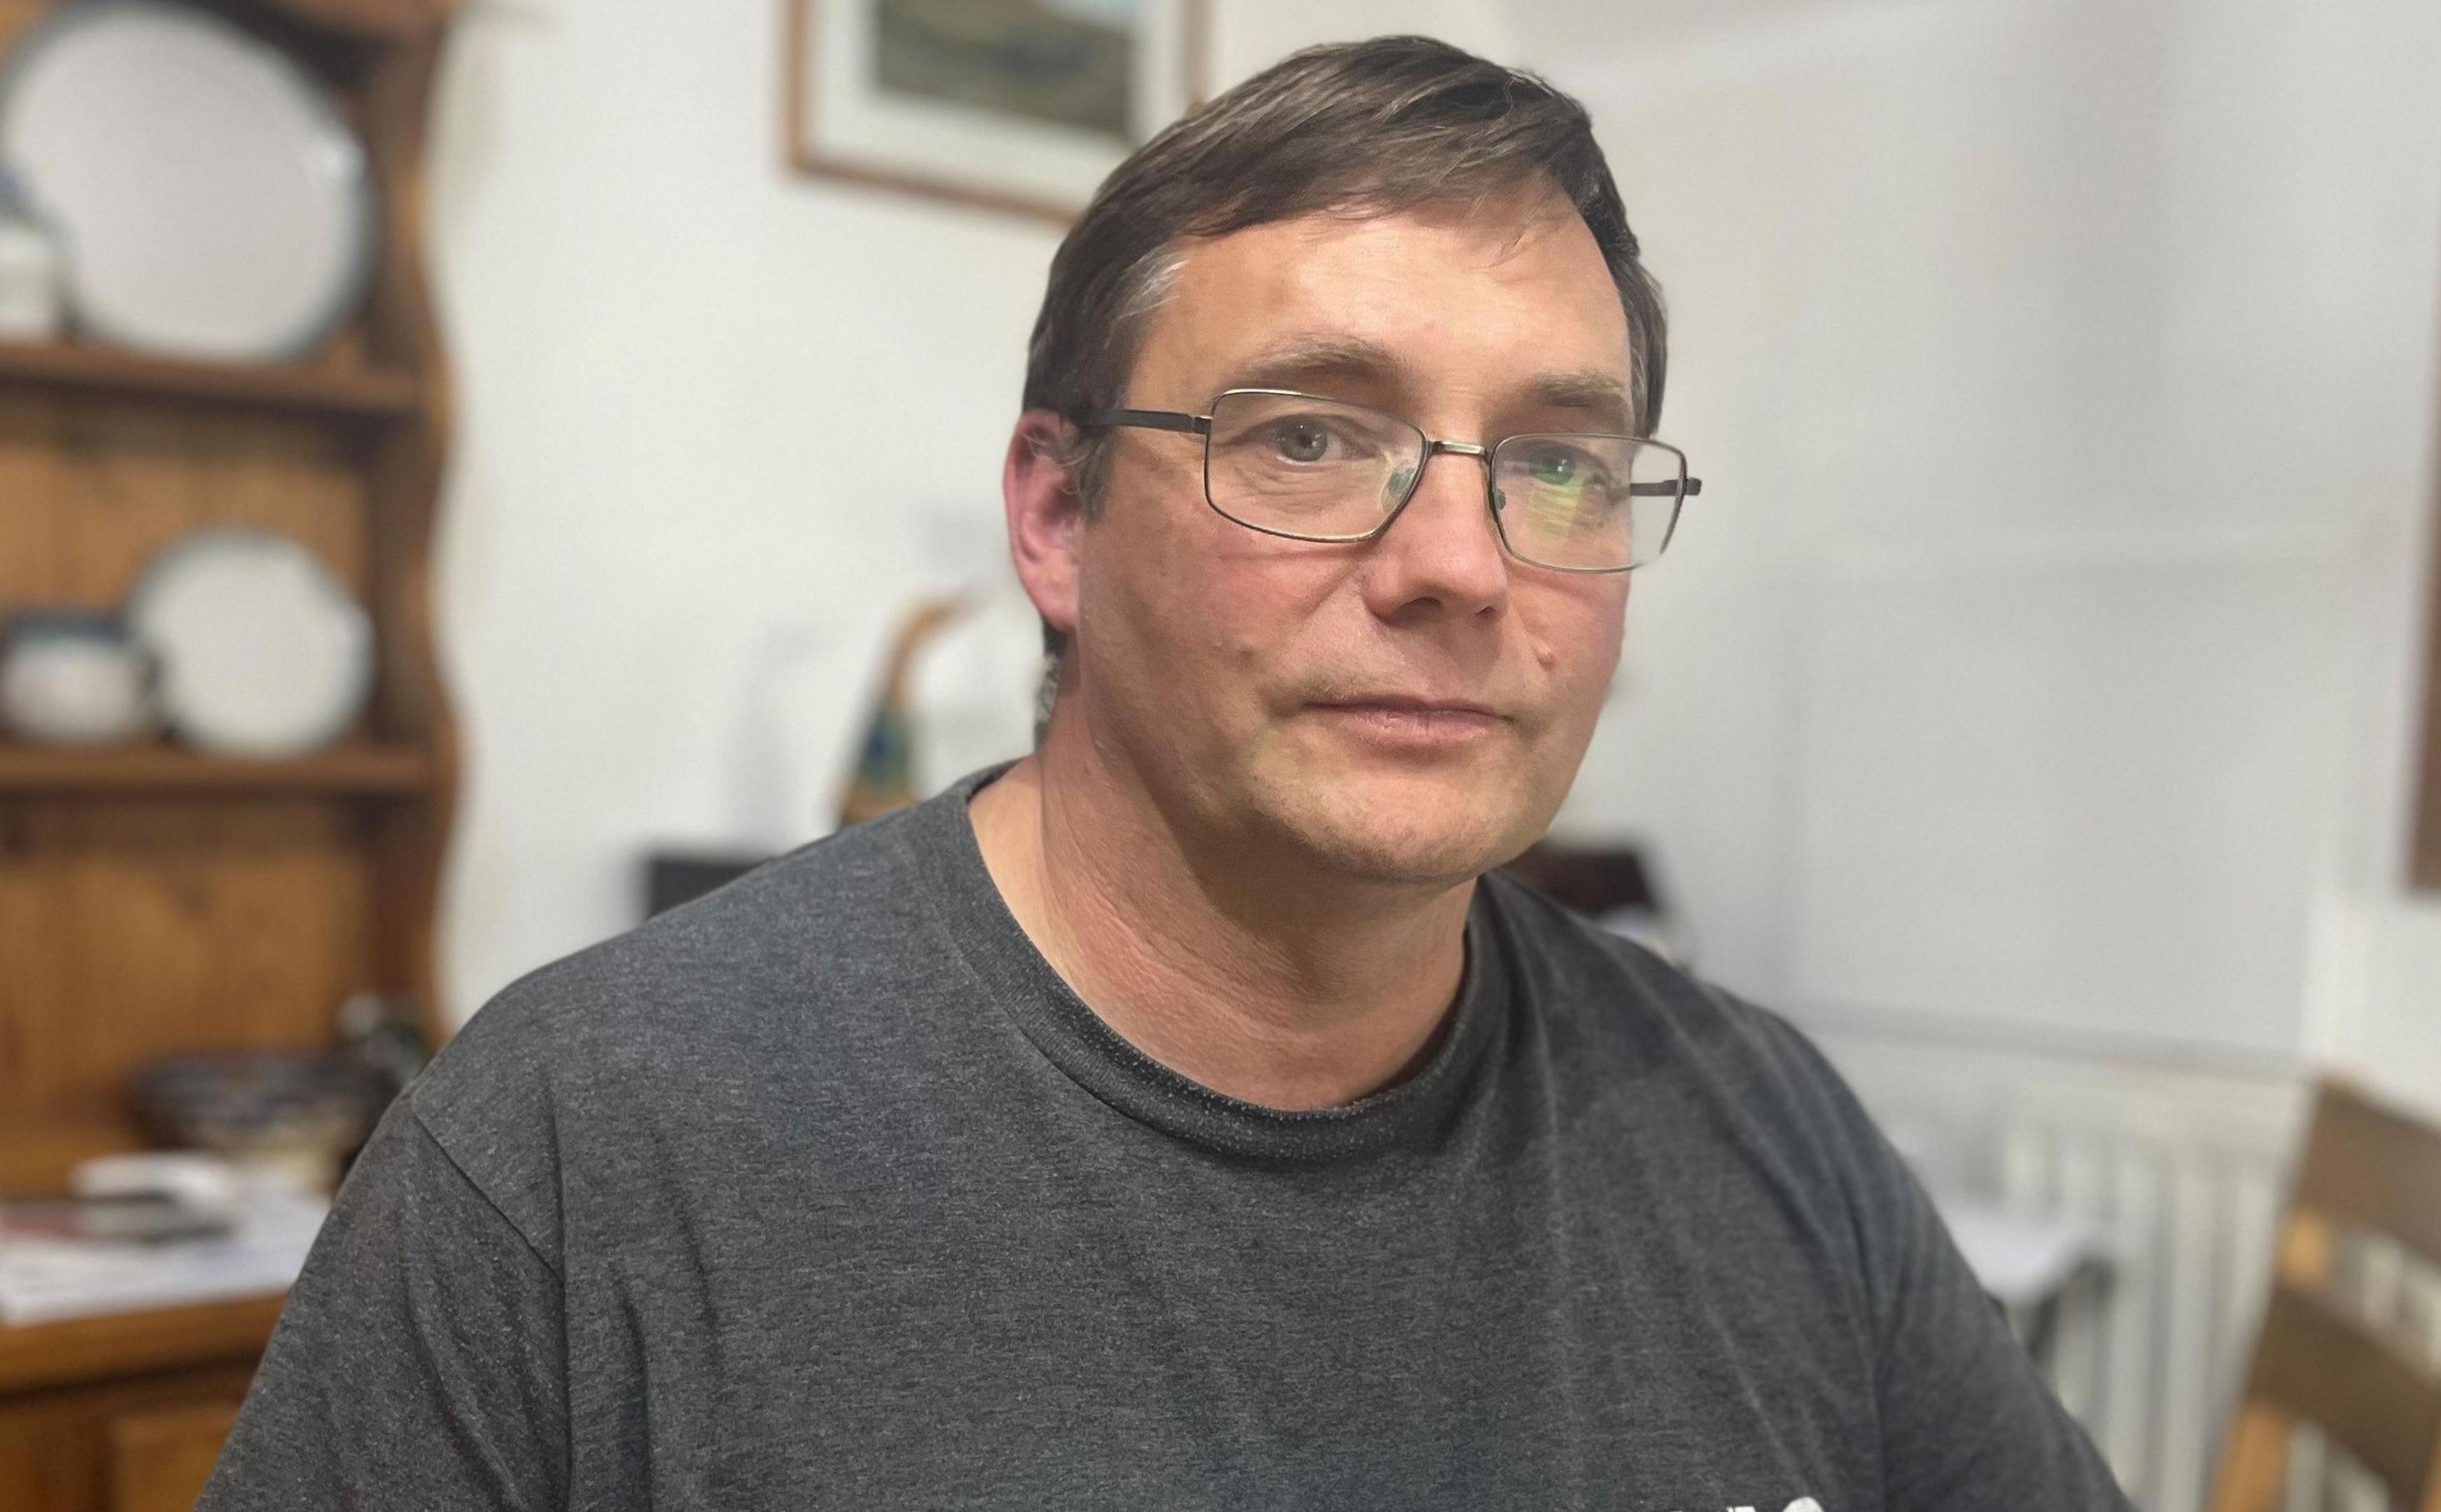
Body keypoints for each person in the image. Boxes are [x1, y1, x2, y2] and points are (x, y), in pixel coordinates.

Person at [202, 36, 2131, 1512]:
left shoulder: (1760, 1131)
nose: (1463, 564)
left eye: (1559, 462)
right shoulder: (582, 1157)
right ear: (1058, 514)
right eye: (1309, 436)